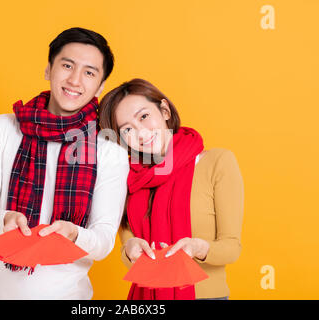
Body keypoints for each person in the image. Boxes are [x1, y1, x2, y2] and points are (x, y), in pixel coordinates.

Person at [0, 27, 129, 299]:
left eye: (89, 72)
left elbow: (103, 240)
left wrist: (73, 233)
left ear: (100, 86)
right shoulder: (2, 128)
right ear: (48, 69)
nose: (75, 80)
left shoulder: (109, 150)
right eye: (67, 65)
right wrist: (3, 218)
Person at [98, 78, 244, 300]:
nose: (140, 132)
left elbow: (232, 247)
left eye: (144, 116)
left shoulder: (217, 162)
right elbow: (127, 241)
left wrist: (197, 248)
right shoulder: (130, 177)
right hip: (145, 298)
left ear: (164, 110)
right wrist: (130, 249)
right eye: (127, 129)